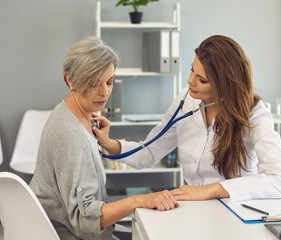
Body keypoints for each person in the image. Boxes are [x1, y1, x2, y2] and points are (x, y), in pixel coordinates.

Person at [94, 35, 281, 203]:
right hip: (194, 208)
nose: (190, 81)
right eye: (192, 70)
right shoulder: (184, 99)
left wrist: (211, 190)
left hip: (236, 209)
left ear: (225, 85)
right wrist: (109, 143)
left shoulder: (253, 113)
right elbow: (149, 152)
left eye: (202, 79)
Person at [29, 36, 178, 240]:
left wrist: (104, 142)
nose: (105, 92)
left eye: (109, 82)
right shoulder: (70, 133)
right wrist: (138, 201)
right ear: (70, 79)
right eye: (93, 84)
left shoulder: (68, 114)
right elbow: (84, 221)